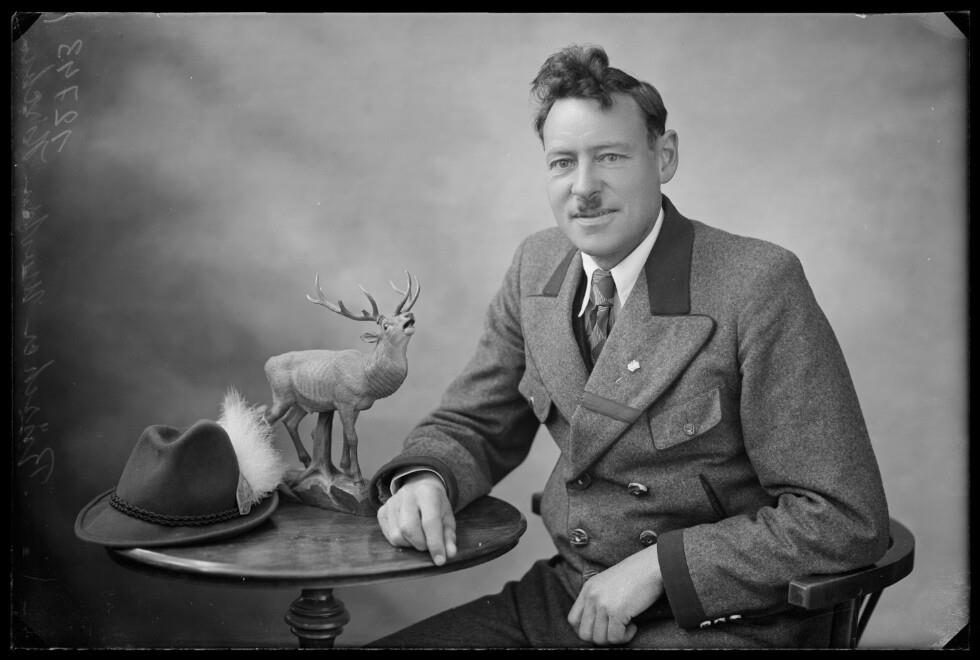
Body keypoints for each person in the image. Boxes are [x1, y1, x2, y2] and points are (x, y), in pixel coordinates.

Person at [366, 44, 890, 649]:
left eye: (610, 157)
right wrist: (427, 477)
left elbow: (843, 519)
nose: (584, 188)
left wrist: (659, 569)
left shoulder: (757, 284)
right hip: (572, 597)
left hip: (724, 620)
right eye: (563, 162)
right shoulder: (536, 265)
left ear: (664, 157)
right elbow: (475, 424)